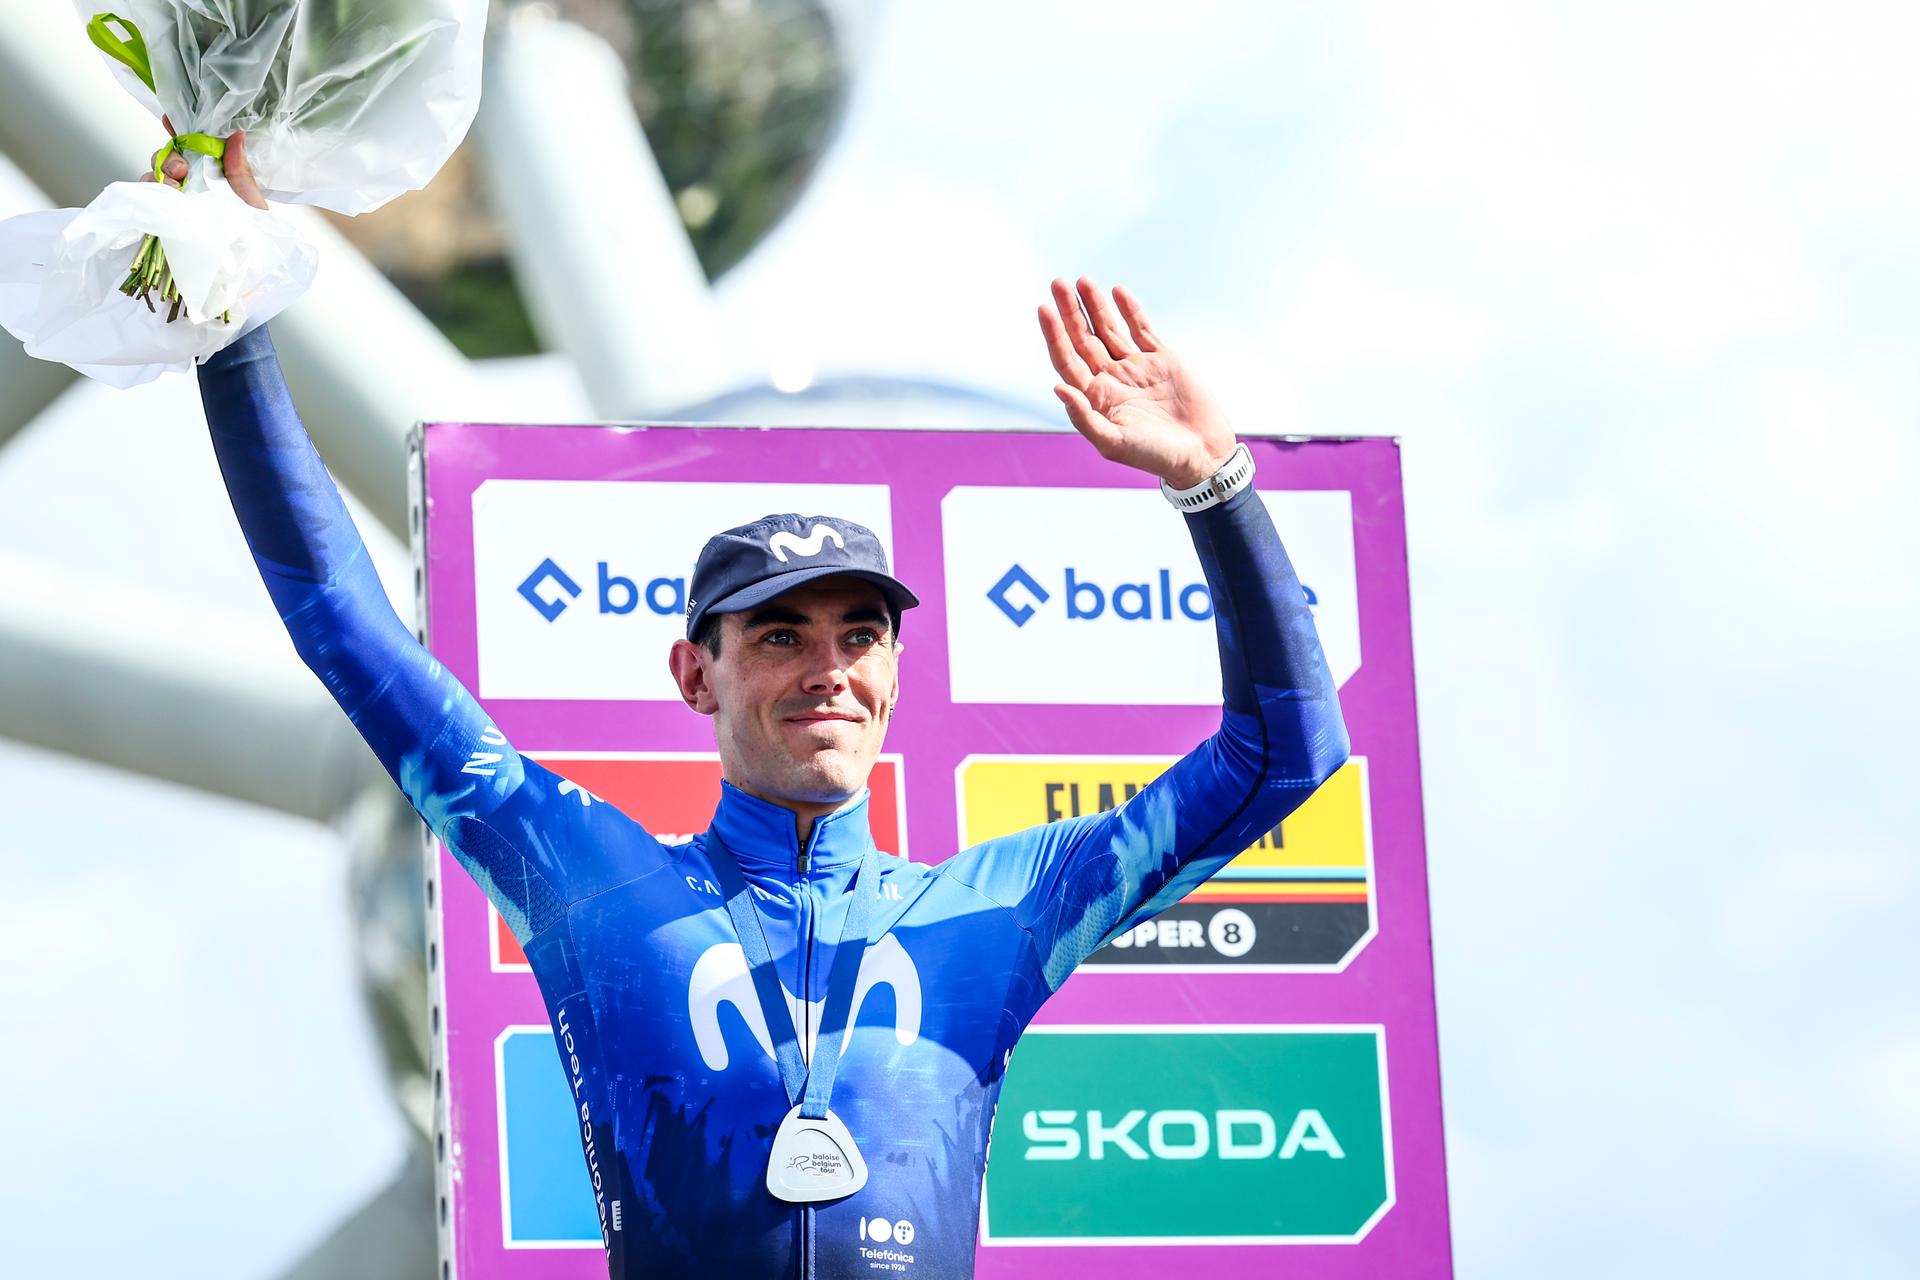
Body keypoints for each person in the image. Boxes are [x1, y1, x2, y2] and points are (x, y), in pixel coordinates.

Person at [176, 133, 1350, 1278]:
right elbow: (344, 622)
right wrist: (233, 317)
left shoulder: (1003, 909)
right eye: (780, 634)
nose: (825, 666)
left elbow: (1288, 754)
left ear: (894, 674)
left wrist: (1217, 485)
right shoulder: (593, 880)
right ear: (698, 676)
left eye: (859, 634)